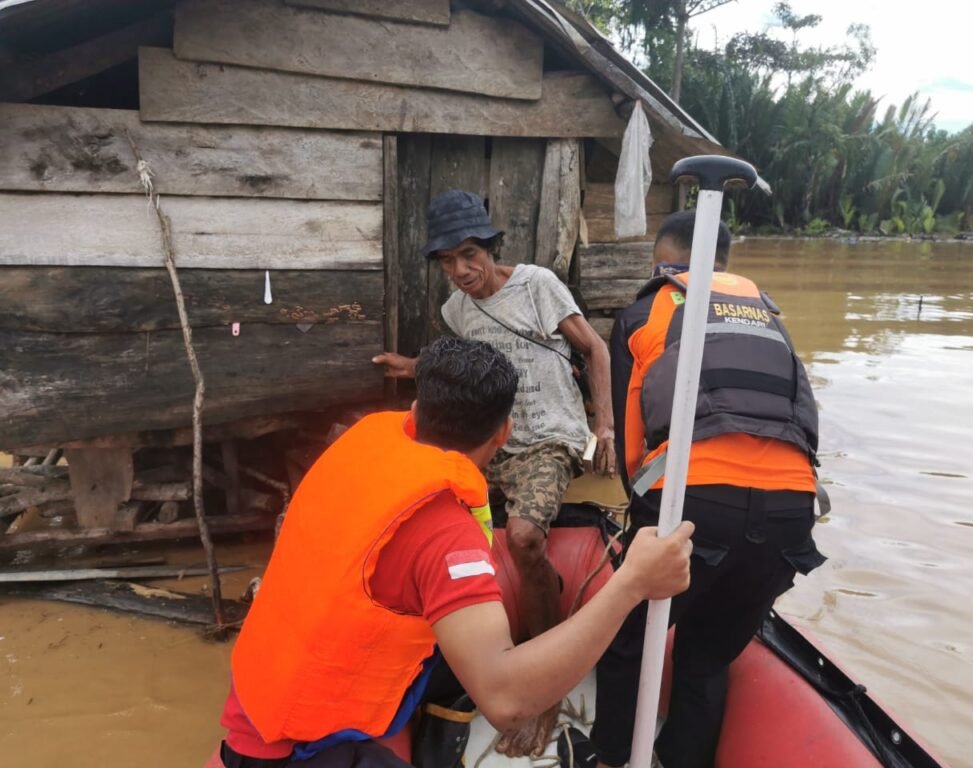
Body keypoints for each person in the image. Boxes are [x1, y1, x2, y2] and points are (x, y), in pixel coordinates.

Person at [214, 336, 695, 768]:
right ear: (504, 432)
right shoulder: (443, 533)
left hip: (259, 694)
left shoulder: (367, 437)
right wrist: (631, 583)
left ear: (417, 408)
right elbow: (504, 700)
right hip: (301, 744)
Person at [373, 190, 617, 756]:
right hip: (493, 442)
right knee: (425, 523)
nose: (461, 271)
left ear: (489, 247)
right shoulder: (457, 311)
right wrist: (412, 367)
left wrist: (604, 428)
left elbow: (595, 350)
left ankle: (543, 685)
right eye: (447, 261)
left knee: (525, 537)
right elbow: (463, 368)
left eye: (469, 255)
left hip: (550, 437)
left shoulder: (537, 285)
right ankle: (441, 655)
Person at [589, 211, 827, 768]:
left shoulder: (644, 312)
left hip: (694, 502)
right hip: (792, 513)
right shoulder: (767, 316)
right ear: (723, 265)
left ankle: (610, 758)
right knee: (707, 657)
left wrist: (641, 524)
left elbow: (631, 447)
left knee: (624, 640)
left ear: (661, 263)